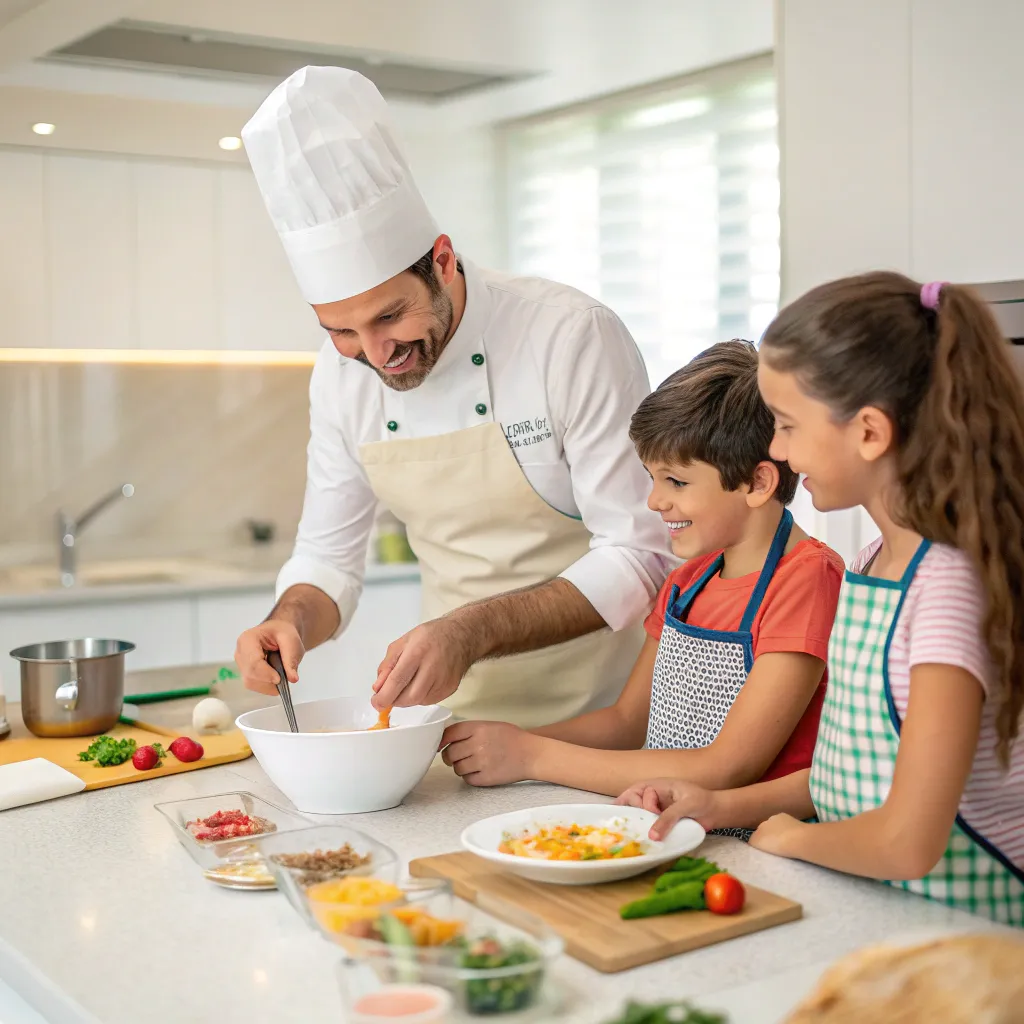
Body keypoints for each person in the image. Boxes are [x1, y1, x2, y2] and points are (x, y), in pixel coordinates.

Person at [232, 66, 672, 727]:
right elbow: (328, 557)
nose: (375, 354)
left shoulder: (569, 336)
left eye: (389, 318)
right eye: (341, 330)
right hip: (454, 721)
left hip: (605, 719)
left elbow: (643, 552)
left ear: (442, 261)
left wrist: (469, 631)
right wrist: (287, 619)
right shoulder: (340, 373)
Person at [621, 274, 1024, 925]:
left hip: (968, 929)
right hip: (874, 904)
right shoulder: (874, 566)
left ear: (868, 432)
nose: (776, 450)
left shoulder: (947, 591)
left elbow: (907, 841)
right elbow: (847, 771)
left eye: (785, 425)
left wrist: (792, 839)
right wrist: (719, 806)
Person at [442, 341, 844, 811]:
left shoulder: (806, 579)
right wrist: (507, 742)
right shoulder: (686, 583)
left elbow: (729, 766)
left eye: (675, 481)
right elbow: (627, 724)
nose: (654, 501)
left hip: (756, 840)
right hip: (673, 826)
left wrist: (533, 757)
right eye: (652, 478)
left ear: (757, 483)